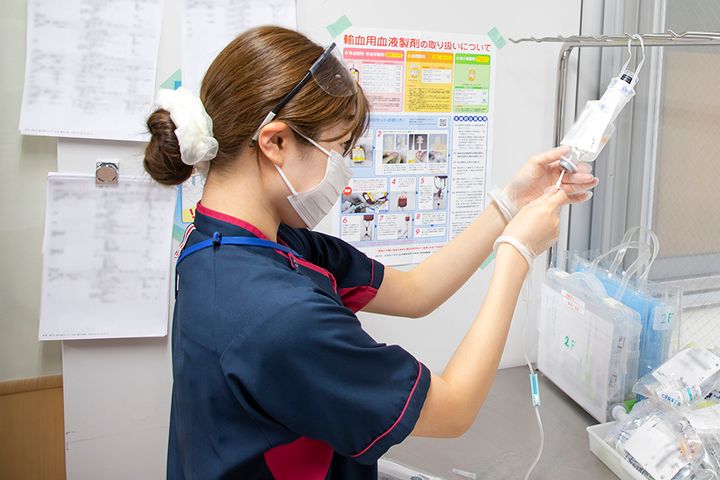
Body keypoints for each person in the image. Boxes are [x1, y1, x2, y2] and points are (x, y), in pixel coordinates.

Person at [144, 26, 597, 480]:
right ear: (275, 142)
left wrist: (510, 203)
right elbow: (454, 409)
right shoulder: (279, 314)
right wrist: (517, 253)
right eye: (338, 149)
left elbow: (415, 292)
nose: (344, 171)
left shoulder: (229, 240)